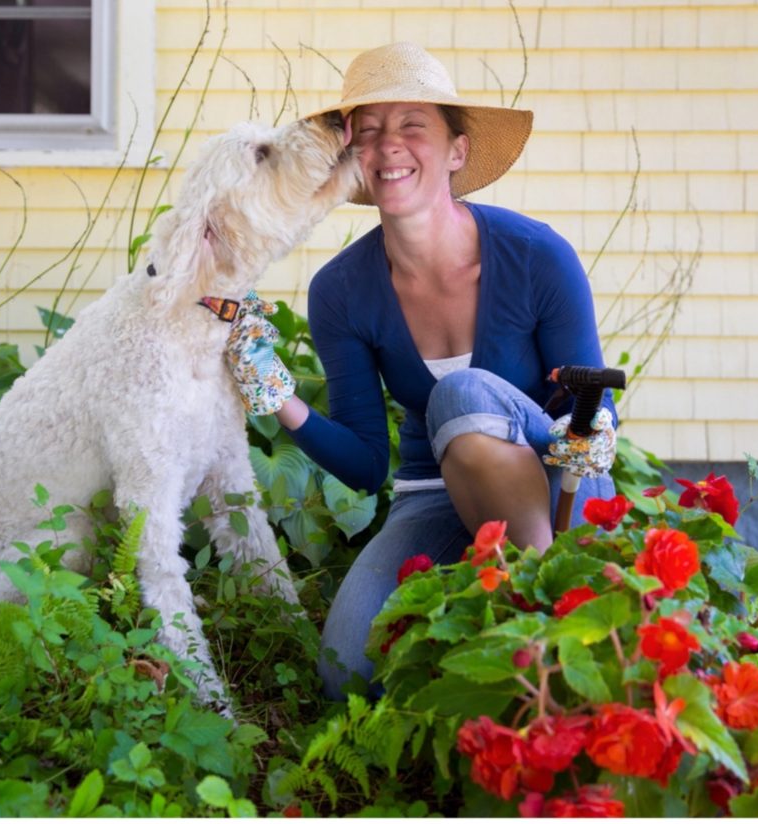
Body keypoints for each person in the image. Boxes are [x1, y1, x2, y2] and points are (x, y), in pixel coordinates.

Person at [224, 42, 618, 700]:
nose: (389, 146)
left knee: (460, 398)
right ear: (351, 160)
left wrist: (595, 428)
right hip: (432, 498)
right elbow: (365, 464)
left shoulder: (536, 257)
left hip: (552, 485)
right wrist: (279, 397)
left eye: (413, 126)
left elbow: (590, 400)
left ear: (456, 152)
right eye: (368, 131)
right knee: (346, 672)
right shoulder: (341, 291)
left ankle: (544, 605)